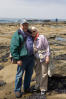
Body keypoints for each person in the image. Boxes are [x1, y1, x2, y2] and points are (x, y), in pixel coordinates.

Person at [10, 20, 35, 98]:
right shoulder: (17, 34)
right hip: (22, 58)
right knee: (19, 75)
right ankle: (17, 90)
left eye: (26, 25)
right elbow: (13, 48)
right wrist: (18, 59)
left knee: (29, 74)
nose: (25, 26)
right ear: (20, 25)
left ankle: (26, 88)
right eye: (24, 25)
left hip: (31, 57)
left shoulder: (29, 33)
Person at [28, 26, 50, 97]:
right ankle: (37, 86)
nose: (33, 32)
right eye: (31, 32)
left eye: (34, 31)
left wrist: (47, 56)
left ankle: (43, 88)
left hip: (43, 57)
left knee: (44, 73)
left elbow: (47, 47)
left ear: (37, 31)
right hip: (35, 58)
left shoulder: (42, 37)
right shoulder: (30, 38)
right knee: (37, 72)